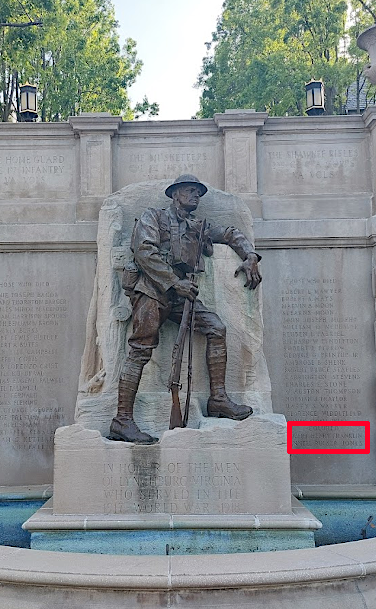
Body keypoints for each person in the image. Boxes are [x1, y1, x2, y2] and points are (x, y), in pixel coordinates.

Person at [108, 174, 263, 444]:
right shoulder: (153, 217)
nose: (196, 196)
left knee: (216, 328)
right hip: (152, 290)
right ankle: (122, 421)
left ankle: (218, 399)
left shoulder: (198, 225)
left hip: (181, 297)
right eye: (190, 191)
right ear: (175, 194)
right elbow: (144, 251)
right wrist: (174, 281)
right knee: (140, 349)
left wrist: (250, 256)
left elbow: (230, 233)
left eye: (198, 193)